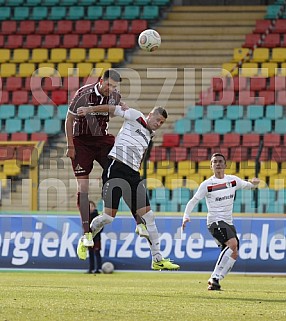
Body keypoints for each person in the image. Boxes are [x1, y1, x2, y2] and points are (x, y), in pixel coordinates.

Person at [77, 104, 180, 271]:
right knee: (108, 218)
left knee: (150, 217)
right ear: (150, 115)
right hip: (116, 168)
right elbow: (112, 108)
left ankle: (157, 259)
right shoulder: (135, 116)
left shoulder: (149, 136)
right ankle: (85, 236)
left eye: (162, 123)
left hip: (133, 175)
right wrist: (89, 110)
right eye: (158, 120)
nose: (158, 124)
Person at [65, 69, 125, 260]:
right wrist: (70, 145)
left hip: (101, 140)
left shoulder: (115, 97)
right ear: (101, 81)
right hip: (81, 141)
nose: (111, 89)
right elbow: (69, 119)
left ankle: (113, 210)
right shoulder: (84, 93)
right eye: (108, 85)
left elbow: (119, 110)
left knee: (120, 169)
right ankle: (86, 233)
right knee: (82, 187)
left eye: (114, 86)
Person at [182, 153, 260, 290]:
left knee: (234, 252)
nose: (217, 164)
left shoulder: (233, 181)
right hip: (214, 221)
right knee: (232, 244)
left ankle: (216, 281)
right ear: (211, 166)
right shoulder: (207, 184)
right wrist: (186, 216)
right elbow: (193, 201)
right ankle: (214, 276)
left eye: (220, 161)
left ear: (225, 165)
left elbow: (247, 185)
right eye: (215, 162)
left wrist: (254, 184)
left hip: (228, 222)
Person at [86, 201, 103, 274]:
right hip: (89, 238)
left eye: (91, 206)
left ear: (94, 207)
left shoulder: (98, 217)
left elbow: (101, 227)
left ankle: (98, 268)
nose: (90, 208)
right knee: (90, 253)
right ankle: (91, 268)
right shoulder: (86, 217)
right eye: (89, 206)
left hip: (96, 238)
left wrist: (95, 233)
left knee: (97, 252)